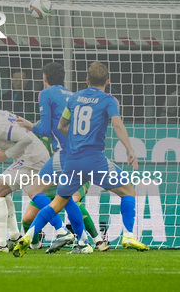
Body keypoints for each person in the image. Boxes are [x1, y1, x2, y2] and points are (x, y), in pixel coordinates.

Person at [13, 61, 149, 257]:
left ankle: (29, 235)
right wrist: (130, 150)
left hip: (72, 160)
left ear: (87, 80)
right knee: (128, 191)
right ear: (107, 81)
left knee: (57, 203)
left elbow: (60, 126)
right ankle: (127, 235)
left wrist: (77, 139)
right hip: (94, 159)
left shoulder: (75, 98)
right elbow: (117, 125)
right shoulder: (109, 100)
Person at [16, 62, 108, 253]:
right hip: (76, 152)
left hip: (67, 153)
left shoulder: (45, 93)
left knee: (36, 191)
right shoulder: (70, 94)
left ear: (44, 78)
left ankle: (62, 231)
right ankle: (83, 242)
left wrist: (28, 125)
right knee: (63, 197)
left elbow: (44, 130)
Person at [0, 90, 67, 253]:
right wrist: (7, 147)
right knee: (31, 195)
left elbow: (25, 138)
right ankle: (55, 231)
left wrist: (7, 153)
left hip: (30, 159)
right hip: (33, 156)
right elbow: (21, 130)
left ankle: (1, 243)